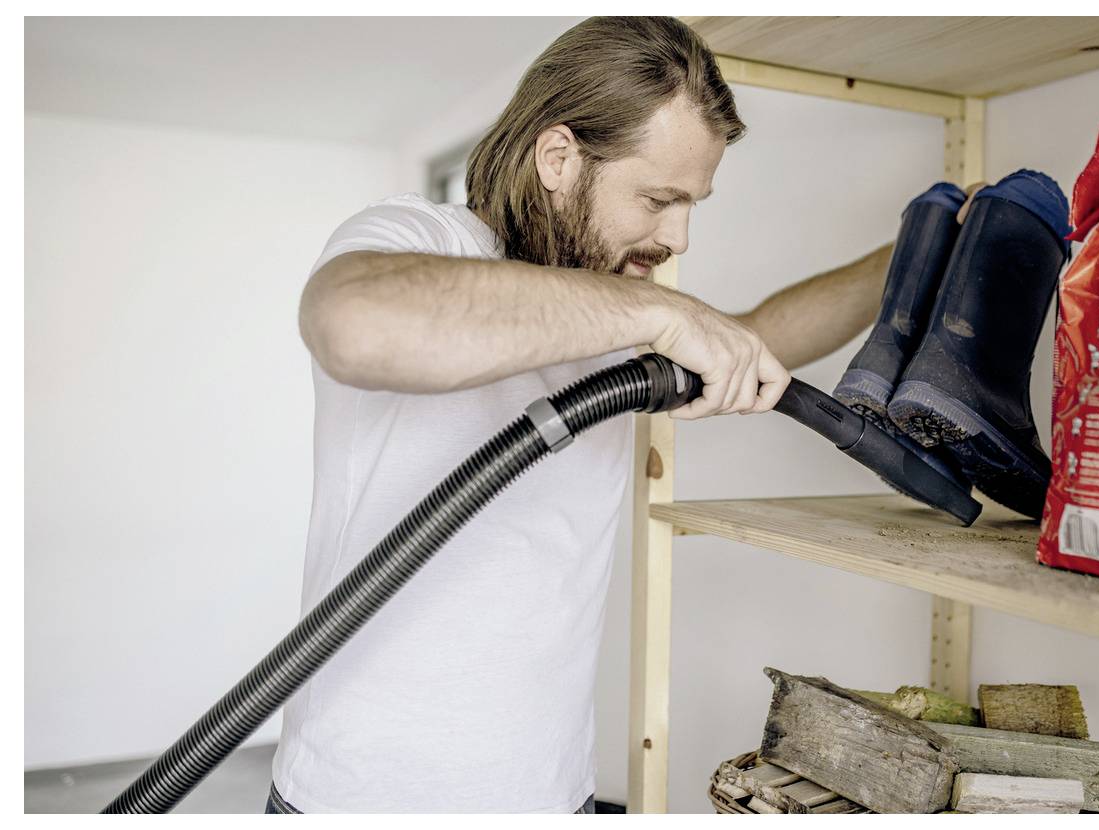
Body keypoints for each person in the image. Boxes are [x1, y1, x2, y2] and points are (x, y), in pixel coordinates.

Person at [269, 16, 894, 813]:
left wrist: (903, 260)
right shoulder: (425, 238)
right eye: (658, 199)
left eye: (692, 204)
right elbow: (354, 323)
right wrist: (653, 314)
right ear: (558, 157)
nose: (678, 237)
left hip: (548, 795)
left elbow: (752, 343)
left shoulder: (614, 306)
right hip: (358, 799)